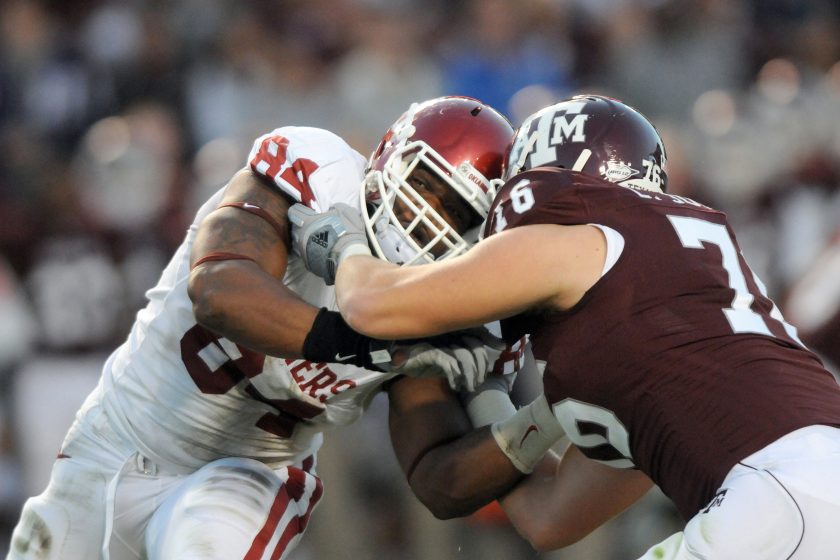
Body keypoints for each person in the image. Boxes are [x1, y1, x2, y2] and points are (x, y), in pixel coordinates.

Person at [291, 94, 840, 559]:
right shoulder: (664, 315)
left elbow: (373, 307)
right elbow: (549, 518)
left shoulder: (581, 234)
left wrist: (341, 242)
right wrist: (492, 397)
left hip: (775, 498)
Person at [6, 96, 524, 560]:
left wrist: (546, 421)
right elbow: (218, 291)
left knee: (202, 546)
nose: (426, 214)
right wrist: (376, 344)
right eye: (424, 186)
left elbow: (437, 483)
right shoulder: (321, 179)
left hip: (250, 475)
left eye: (455, 211)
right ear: (389, 155)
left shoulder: (440, 305)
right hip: (117, 436)